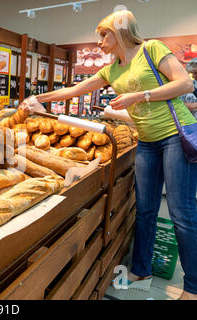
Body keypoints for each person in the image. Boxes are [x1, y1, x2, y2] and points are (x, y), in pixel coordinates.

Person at [20, 10, 197, 300]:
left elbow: (185, 84)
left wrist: (139, 96)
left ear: (121, 31)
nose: (100, 41)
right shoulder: (111, 70)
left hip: (177, 137)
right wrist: (37, 99)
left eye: (104, 34)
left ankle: (193, 286)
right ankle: (141, 270)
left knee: (182, 213)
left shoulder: (151, 49)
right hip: (148, 142)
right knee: (146, 209)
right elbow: (74, 90)